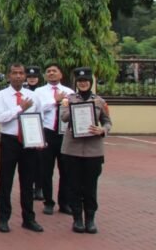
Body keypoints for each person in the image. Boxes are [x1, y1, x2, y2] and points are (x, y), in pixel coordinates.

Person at [0, 63, 44, 233]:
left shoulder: (33, 96)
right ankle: (3, 218)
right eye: (14, 73)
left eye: (20, 73)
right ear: (8, 76)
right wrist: (19, 108)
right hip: (10, 141)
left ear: (24, 76)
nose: (17, 76)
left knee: (28, 182)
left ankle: (28, 218)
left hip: (29, 141)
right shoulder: (1, 95)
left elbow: (40, 118)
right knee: (5, 180)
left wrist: (40, 138)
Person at [61, 67, 111, 234]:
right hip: (72, 149)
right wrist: (72, 106)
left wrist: (102, 130)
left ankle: (90, 219)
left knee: (90, 186)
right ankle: (77, 219)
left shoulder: (100, 102)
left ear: (90, 82)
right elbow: (64, 117)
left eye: (86, 81)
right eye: (80, 81)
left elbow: (107, 122)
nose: (83, 83)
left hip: (93, 150)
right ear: (76, 83)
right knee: (74, 185)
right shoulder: (68, 99)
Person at [34, 63, 74, 216]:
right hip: (47, 132)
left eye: (54, 71)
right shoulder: (39, 91)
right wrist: (54, 101)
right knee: (46, 170)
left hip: (64, 134)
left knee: (66, 170)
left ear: (60, 74)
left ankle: (64, 202)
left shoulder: (69, 92)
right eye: (48, 71)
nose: (51, 73)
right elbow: (36, 109)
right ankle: (48, 202)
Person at [23, 66, 45, 201]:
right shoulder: (24, 91)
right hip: (24, 128)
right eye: (30, 77)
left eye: (34, 77)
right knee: (27, 161)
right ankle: (29, 187)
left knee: (39, 161)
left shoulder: (41, 91)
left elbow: (43, 109)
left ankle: (39, 188)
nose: (32, 79)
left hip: (37, 127)